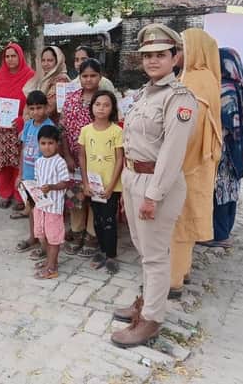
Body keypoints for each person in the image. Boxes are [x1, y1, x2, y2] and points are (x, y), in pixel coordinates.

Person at [111, 23, 197, 348]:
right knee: (143, 249)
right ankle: (147, 302)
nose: (153, 60)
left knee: (155, 255)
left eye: (160, 54)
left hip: (158, 184)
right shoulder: (144, 94)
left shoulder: (180, 98)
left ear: (175, 58)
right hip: (134, 177)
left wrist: (153, 195)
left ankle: (151, 319)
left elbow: (173, 153)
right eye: (147, 55)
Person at [170, 29, 222, 296]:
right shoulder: (206, 77)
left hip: (189, 161)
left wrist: (172, 164)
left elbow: (190, 129)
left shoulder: (194, 81)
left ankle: (173, 281)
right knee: (187, 218)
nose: (177, 53)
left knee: (178, 221)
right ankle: (184, 270)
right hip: (201, 162)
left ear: (195, 50)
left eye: (181, 48)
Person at [203, 48, 243, 248]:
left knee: (220, 191)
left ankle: (219, 235)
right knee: (230, 191)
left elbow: (224, 124)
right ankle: (225, 230)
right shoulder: (239, 86)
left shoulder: (223, 88)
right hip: (237, 148)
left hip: (224, 149)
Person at [61, 58, 103, 258]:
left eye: (93, 75)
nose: (88, 79)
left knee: (95, 196)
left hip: (98, 158)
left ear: (100, 77)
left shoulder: (104, 100)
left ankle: (92, 235)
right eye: (85, 76)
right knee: (76, 196)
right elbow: (63, 129)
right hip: (74, 159)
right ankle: (77, 232)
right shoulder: (71, 99)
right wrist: (67, 155)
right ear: (79, 77)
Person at [78, 90, 124, 274]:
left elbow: (119, 159)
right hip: (93, 186)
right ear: (92, 107)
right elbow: (82, 157)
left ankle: (111, 256)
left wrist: (111, 186)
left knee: (109, 220)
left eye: (106, 105)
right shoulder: (86, 130)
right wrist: (85, 183)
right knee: (97, 219)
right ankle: (102, 250)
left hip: (111, 186)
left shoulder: (116, 131)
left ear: (112, 108)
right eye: (97, 104)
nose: (101, 108)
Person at [0, 42, 34, 210]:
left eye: (14, 56)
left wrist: (22, 119)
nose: (10, 59)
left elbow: (33, 101)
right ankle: (5, 194)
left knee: (19, 163)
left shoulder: (30, 76)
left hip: (20, 127)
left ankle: (19, 196)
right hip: (1, 129)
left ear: (20, 57)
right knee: (2, 163)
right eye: (7, 56)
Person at [14, 90, 56, 255]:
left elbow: (53, 154)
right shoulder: (28, 125)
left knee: (43, 212)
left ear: (46, 108)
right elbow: (24, 150)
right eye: (32, 108)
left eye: (39, 108)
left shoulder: (49, 127)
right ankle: (33, 238)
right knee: (32, 209)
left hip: (43, 179)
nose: (36, 112)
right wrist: (20, 174)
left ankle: (45, 246)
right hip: (28, 177)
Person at [32, 124, 70, 280]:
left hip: (54, 208)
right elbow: (37, 181)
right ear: (38, 144)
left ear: (57, 144)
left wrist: (52, 187)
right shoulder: (39, 162)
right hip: (41, 206)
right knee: (44, 236)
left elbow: (65, 182)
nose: (46, 147)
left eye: (50, 143)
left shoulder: (59, 162)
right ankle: (50, 261)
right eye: (43, 143)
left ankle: (52, 268)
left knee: (53, 238)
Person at [23, 45, 70, 119]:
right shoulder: (42, 79)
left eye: (50, 60)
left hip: (52, 123)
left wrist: (30, 116)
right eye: (43, 60)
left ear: (58, 61)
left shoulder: (61, 80)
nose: (45, 64)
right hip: (37, 121)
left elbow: (50, 108)